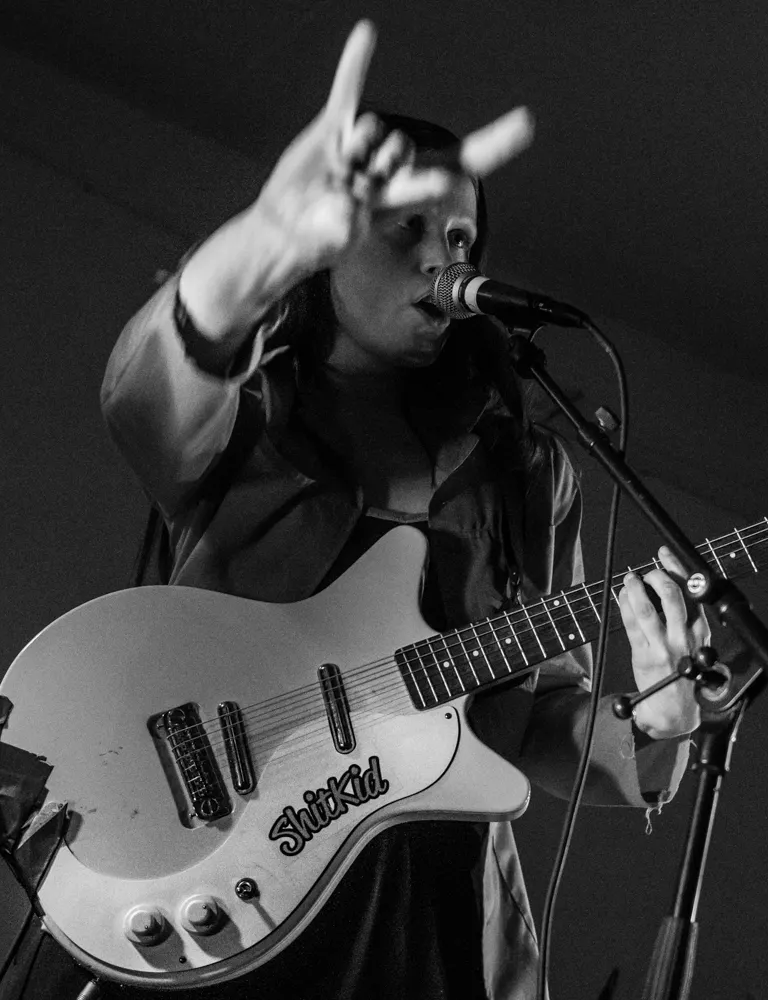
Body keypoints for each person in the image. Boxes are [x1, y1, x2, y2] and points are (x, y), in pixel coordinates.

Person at [92, 20, 706, 1000]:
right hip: (229, 867)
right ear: (328, 247)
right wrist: (261, 243)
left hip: (427, 912)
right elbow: (142, 400)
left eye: (460, 237)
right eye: (407, 228)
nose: (442, 257)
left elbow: (541, 717)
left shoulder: (529, 471)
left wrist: (664, 717)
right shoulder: (252, 413)